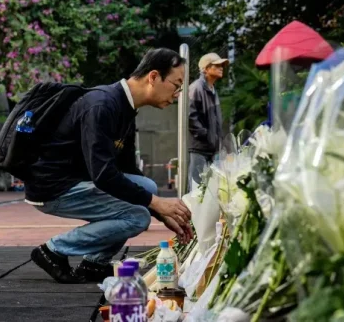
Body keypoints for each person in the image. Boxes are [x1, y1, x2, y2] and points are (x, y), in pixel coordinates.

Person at [26, 49, 193, 284]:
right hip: (52, 187)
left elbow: (126, 170)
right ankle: (53, 250)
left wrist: (162, 213)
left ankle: (94, 263)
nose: (177, 95)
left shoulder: (126, 108)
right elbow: (104, 175)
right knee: (137, 217)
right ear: (154, 77)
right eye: (176, 85)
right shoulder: (102, 105)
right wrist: (156, 204)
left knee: (147, 187)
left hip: (78, 179)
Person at [188, 53, 229, 191]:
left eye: (222, 65)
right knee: (197, 189)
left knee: (211, 190)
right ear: (206, 68)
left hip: (212, 148)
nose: (221, 68)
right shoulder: (196, 88)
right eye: (217, 65)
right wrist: (206, 135)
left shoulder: (212, 89)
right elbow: (190, 117)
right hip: (200, 148)